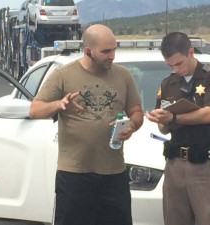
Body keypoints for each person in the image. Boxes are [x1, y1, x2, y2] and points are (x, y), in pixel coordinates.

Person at [29, 24, 144, 225]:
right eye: (106, 51)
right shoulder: (63, 75)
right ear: (88, 51)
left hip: (114, 174)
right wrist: (59, 104)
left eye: (114, 49)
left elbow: (136, 112)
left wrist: (132, 125)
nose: (112, 56)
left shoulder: (123, 75)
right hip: (75, 175)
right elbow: (34, 110)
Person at [145, 32, 210, 225]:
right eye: (170, 65)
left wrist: (174, 117)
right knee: (175, 219)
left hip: (204, 166)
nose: (176, 69)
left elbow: (209, 115)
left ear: (190, 52)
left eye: (179, 63)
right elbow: (164, 129)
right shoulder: (168, 83)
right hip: (175, 165)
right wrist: (161, 119)